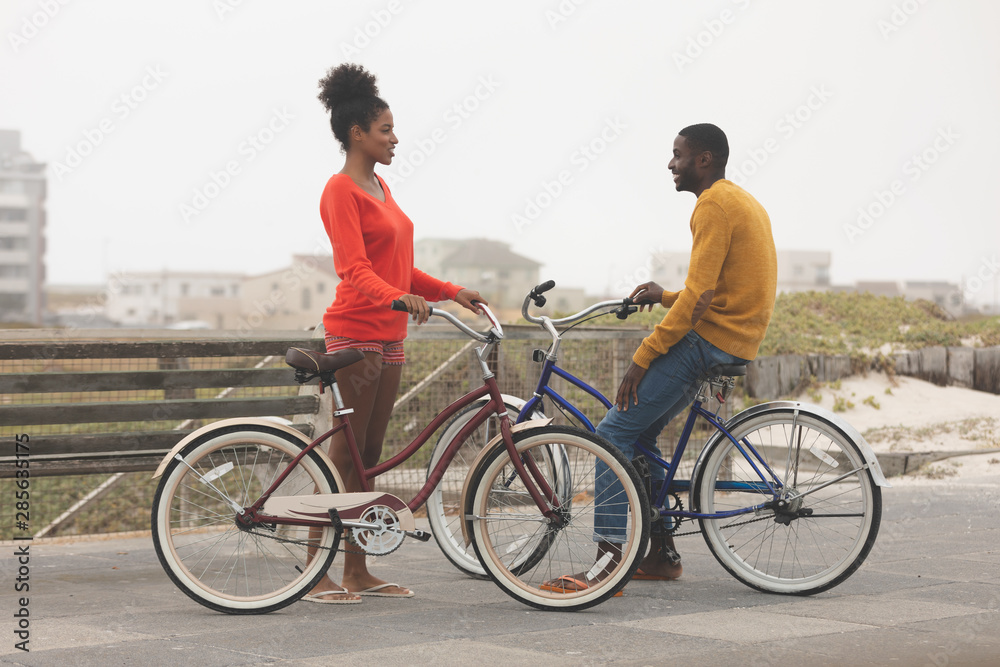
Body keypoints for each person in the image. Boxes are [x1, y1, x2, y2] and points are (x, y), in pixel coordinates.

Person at [544, 123, 777, 593]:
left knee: (610, 435)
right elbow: (707, 294)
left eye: (677, 155)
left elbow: (700, 299)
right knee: (640, 438)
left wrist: (644, 354)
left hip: (708, 341)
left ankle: (607, 565)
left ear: (704, 160)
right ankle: (660, 554)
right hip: (734, 338)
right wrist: (665, 294)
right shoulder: (741, 199)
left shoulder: (711, 204)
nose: (670, 164)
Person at [305, 63, 485, 604]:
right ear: (357, 133)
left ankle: (356, 571)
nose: (395, 138)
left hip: (390, 337)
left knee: (369, 457)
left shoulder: (381, 186)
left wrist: (451, 291)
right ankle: (316, 572)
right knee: (342, 458)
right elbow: (353, 269)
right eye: (385, 129)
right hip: (355, 335)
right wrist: (394, 298)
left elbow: (400, 269)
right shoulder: (341, 191)